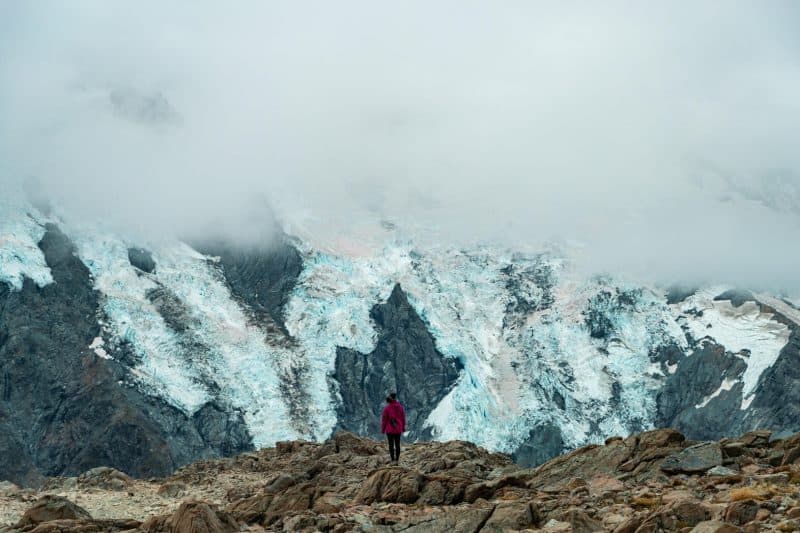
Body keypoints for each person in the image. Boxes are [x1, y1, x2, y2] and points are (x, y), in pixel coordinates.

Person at [381, 392, 406, 464]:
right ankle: (397, 460)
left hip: (389, 430)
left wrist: (383, 429)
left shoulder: (387, 408)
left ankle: (392, 460)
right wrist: (403, 428)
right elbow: (403, 418)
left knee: (391, 445)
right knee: (397, 444)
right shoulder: (400, 407)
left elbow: (384, 420)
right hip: (398, 429)